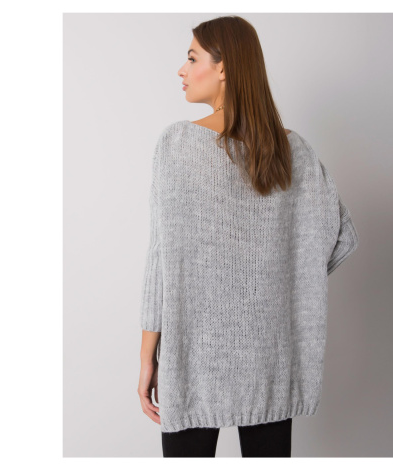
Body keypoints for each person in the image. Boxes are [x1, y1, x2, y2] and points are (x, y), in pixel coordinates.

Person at [137, 15, 359, 458]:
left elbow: (160, 263)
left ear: (223, 67)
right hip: (270, 360)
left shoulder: (176, 146)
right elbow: (341, 236)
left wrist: (147, 358)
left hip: (193, 361)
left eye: (192, 58)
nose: (182, 70)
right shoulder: (292, 151)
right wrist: (287, 287)